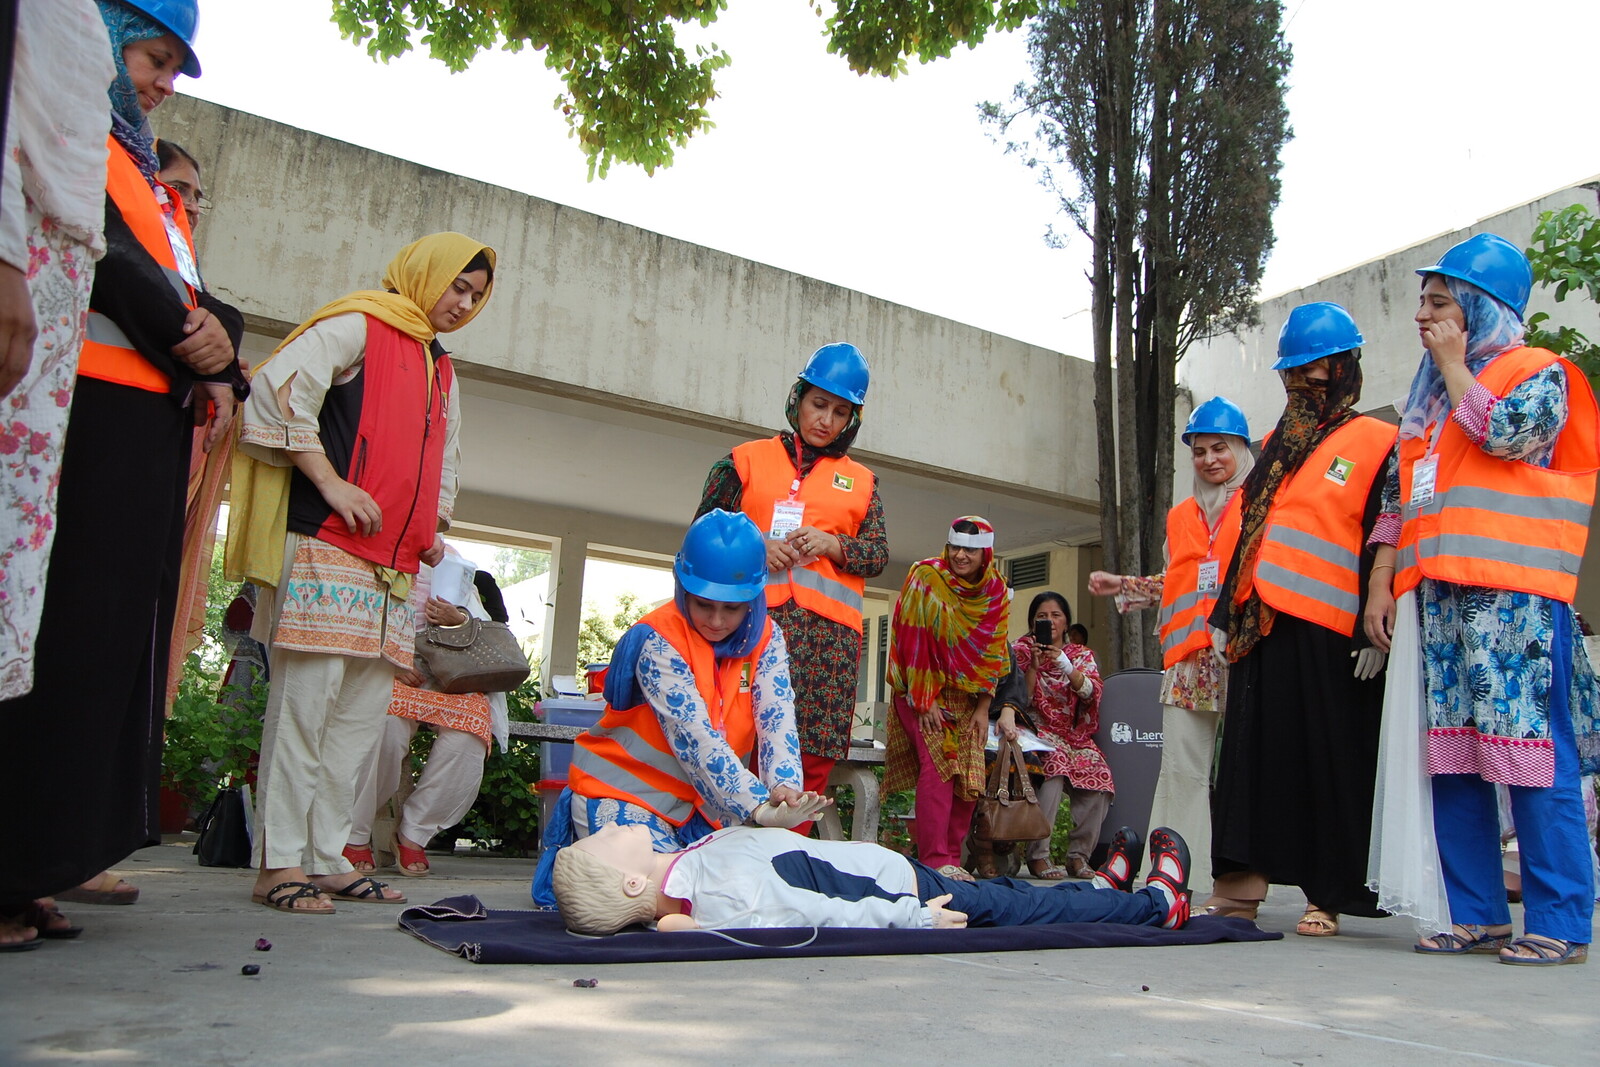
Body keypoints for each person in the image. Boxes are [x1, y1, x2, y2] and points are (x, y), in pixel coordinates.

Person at [1, 0, 247, 943]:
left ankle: (40, 864)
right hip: (78, 409)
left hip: (146, 419)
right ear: (101, 37)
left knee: (104, 651)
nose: (162, 83)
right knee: (54, 635)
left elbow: (180, 282)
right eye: (153, 56)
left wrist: (219, 336)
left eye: (175, 68)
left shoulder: (145, 169)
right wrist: (199, 337)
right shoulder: (70, 132)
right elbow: (102, 252)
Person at [231, 230, 495, 914]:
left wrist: (430, 530)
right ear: (422, 273)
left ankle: (326, 858)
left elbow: (447, 458)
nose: (462, 303)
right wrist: (332, 482)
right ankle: (278, 862)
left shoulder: (442, 368)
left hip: (396, 568)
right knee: (306, 707)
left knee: (356, 719)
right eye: (455, 286)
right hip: (326, 544)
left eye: (475, 295)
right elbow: (275, 391)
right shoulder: (361, 322)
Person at [1365, 233, 1600, 966]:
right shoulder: (1429, 398)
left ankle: (1561, 919)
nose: (1423, 318)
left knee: (1532, 754)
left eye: (1439, 303)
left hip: (1516, 602)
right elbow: (1406, 497)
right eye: (1423, 304)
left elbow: (1507, 434)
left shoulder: (1542, 373)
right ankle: (1478, 913)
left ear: (1478, 307)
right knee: (1455, 758)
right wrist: (1386, 580)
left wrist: (1454, 364)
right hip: (1440, 599)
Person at [1206, 303, 1396, 936]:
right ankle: (1240, 887)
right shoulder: (1280, 446)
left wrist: (1382, 621)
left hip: (1334, 632)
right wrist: (1226, 610)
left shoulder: (1376, 440)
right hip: (1264, 623)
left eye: (1317, 371)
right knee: (1251, 761)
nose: (1305, 385)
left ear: (1345, 370)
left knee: (1329, 761)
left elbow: (1385, 533)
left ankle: (1328, 894)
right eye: (1295, 373)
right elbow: (1252, 530)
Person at [0, 0, 115, 952]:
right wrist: (4, 256)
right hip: (18, 277)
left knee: (18, 599)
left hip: (52, 303)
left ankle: (21, 862)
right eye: (153, 55)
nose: (154, 81)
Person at [696, 342, 887, 832]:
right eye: (818, 403)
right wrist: (756, 543)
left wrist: (833, 542)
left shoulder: (863, 482)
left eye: (840, 411)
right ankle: (724, 856)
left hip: (829, 649)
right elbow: (701, 533)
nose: (825, 419)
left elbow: (878, 555)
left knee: (812, 761)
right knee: (737, 738)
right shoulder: (742, 461)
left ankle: (786, 862)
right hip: (751, 630)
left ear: (852, 419)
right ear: (798, 398)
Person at [1087, 396, 1254, 896]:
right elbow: (1177, 580)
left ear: (1242, 449)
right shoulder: (1181, 515)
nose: (1209, 460)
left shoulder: (1262, 503)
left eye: (1219, 448)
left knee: (1246, 774)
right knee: (1181, 771)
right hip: (1187, 659)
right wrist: (1127, 586)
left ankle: (1239, 883)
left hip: (1243, 655)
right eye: (1199, 451)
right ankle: (1177, 878)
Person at [565, 509, 806, 849]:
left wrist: (784, 790)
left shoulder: (768, 637)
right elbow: (693, 737)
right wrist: (758, 805)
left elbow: (777, 718)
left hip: (711, 809)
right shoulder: (658, 639)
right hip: (626, 795)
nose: (717, 621)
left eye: (732, 608)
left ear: (753, 599)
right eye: (703, 604)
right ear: (682, 588)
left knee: (742, 889)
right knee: (654, 889)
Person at [552, 818, 1192, 936]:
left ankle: (1103, 890)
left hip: (889, 871)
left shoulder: (696, 867)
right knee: (1021, 908)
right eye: (609, 841)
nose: (613, 827)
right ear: (633, 883)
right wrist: (910, 917)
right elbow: (820, 916)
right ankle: (1155, 905)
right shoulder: (722, 893)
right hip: (903, 894)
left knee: (1015, 894)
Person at [346, 550, 511, 877]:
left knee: (470, 734)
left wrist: (460, 620)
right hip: (389, 668)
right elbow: (352, 612)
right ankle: (354, 833)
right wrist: (387, 659)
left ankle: (413, 833)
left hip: (452, 677)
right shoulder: (379, 551)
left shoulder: (459, 566)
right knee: (385, 729)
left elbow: (494, 633)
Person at [885, 516, 1012, 882]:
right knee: (941, 764)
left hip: (970, 701)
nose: (959, 556)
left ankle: (952, 859)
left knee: (970, 776)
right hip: (919, 691)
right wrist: (924, 700)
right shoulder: (926, 577)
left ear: (985, 553)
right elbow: (910, 637)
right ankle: (935, 859)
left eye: (970, 550)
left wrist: (984, 708)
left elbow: (994, 653)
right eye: (955, 547)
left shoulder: (996, 591)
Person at [992, 591, 1109, 880]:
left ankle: (1078, 857)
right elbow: (1022, 697)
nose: (1049, 621)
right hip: (1035, 728)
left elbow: (1091, 693)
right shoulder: (1019, 650)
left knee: (1100, 775)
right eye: (1042, 616)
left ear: (1067, 622)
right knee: (1052, 767)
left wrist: (1065, 666)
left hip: (1073, 734)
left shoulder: (1080, 655)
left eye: (1056, 615)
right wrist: (1033, 665)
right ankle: (1038, 856)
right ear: (1032, 622)